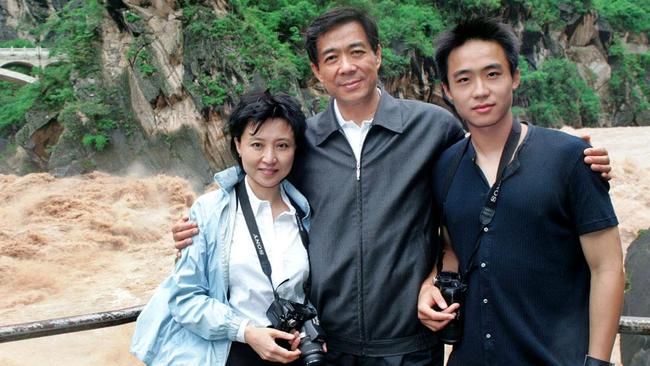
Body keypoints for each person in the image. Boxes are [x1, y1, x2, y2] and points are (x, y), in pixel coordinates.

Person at [172, 7, 613, 366]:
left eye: (357, 51)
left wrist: (574, 155)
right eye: (331, 58)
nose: (347, 67)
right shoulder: (303, 141)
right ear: (316, 70)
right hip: (328, 346)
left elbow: (488, 165)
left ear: (378, 55)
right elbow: (261, 177)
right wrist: (208, 212)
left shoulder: (433, 127)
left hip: (411, 347)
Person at [418, 18, 624, 366]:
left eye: (493, 74)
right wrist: (430, 285)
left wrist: (598, 361)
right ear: (447, 91)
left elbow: (608, 266)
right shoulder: (445, 166)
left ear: (515, 77)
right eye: (464, 79)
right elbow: (453, 245)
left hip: (555, 357)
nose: (480, 90)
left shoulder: (570, 158)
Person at [131, 91, 314, 365]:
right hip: (230, 353)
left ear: (295, 149)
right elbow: (185, 298)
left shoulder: (305, 213)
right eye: (257, 145)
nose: (269, 158)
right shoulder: (208, 212)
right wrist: (246, 332)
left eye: (282, 145)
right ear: (238, 145)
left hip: (293, 353)